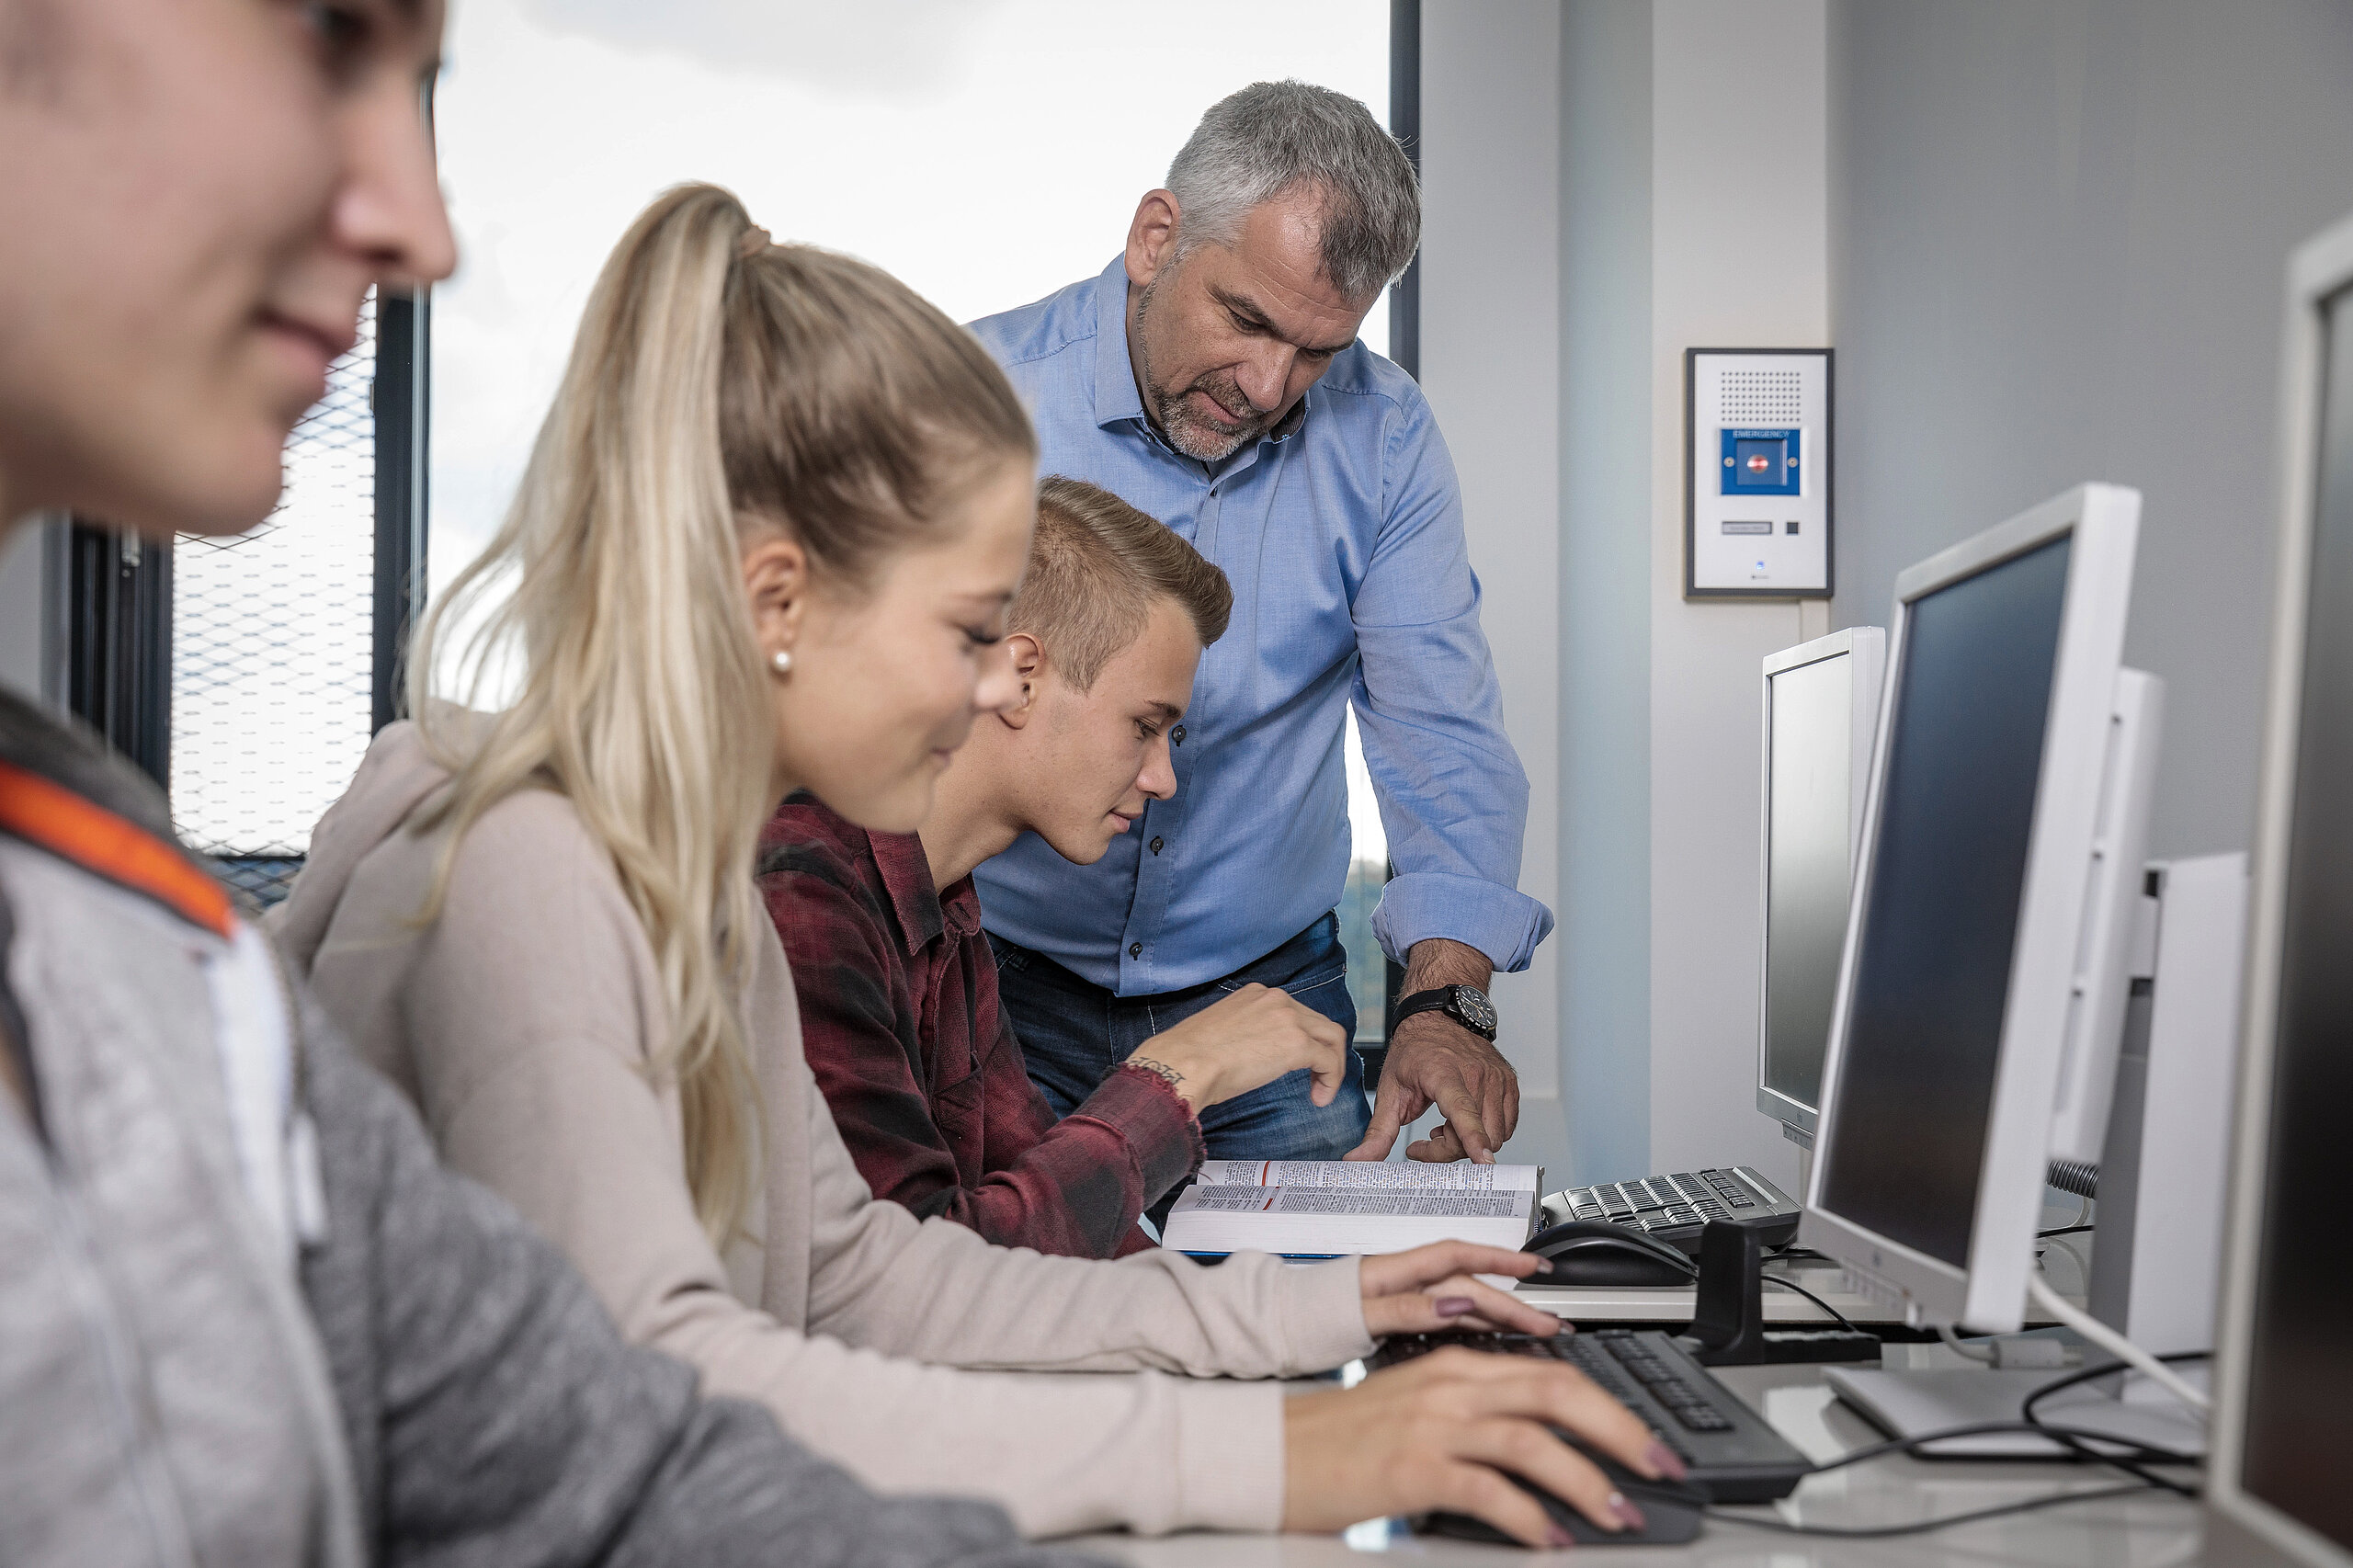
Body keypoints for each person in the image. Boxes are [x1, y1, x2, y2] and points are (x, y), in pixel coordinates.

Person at [276, 181, 1682, 1550]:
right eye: (966, 637)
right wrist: (1273, 1452)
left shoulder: (693, 888)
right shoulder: (537, 868)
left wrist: (1327, 1311)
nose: (980, 703)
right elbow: (668, 1385)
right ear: (779, 602)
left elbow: (867, 1278)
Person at [0, 3, 1085, 1566]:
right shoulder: (523, 877)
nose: (425, 235)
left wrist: (1295, 1408)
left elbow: (617, 1457)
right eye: (327, 37)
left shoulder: (154, 945)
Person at [969, 81, 1545, 1166]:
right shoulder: (972, 398)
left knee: (1307, 1322)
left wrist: (1445, 1001)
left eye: (1318, 351)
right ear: (1156, 238)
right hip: (993, 977)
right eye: (1245, 320)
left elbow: (1442, 733)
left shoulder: (1385, 439)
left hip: (1267, 989)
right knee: (998, 1306)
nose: (1269, 384)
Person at [762, 475, 1348, 1258]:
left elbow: (1057, 1236)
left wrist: (1328, 1315)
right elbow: (927, 1279)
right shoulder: (803, 900)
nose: (1162, 779)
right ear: (1021, 677)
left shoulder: (952, 919)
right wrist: (1179, 1074)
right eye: (1145, 725)